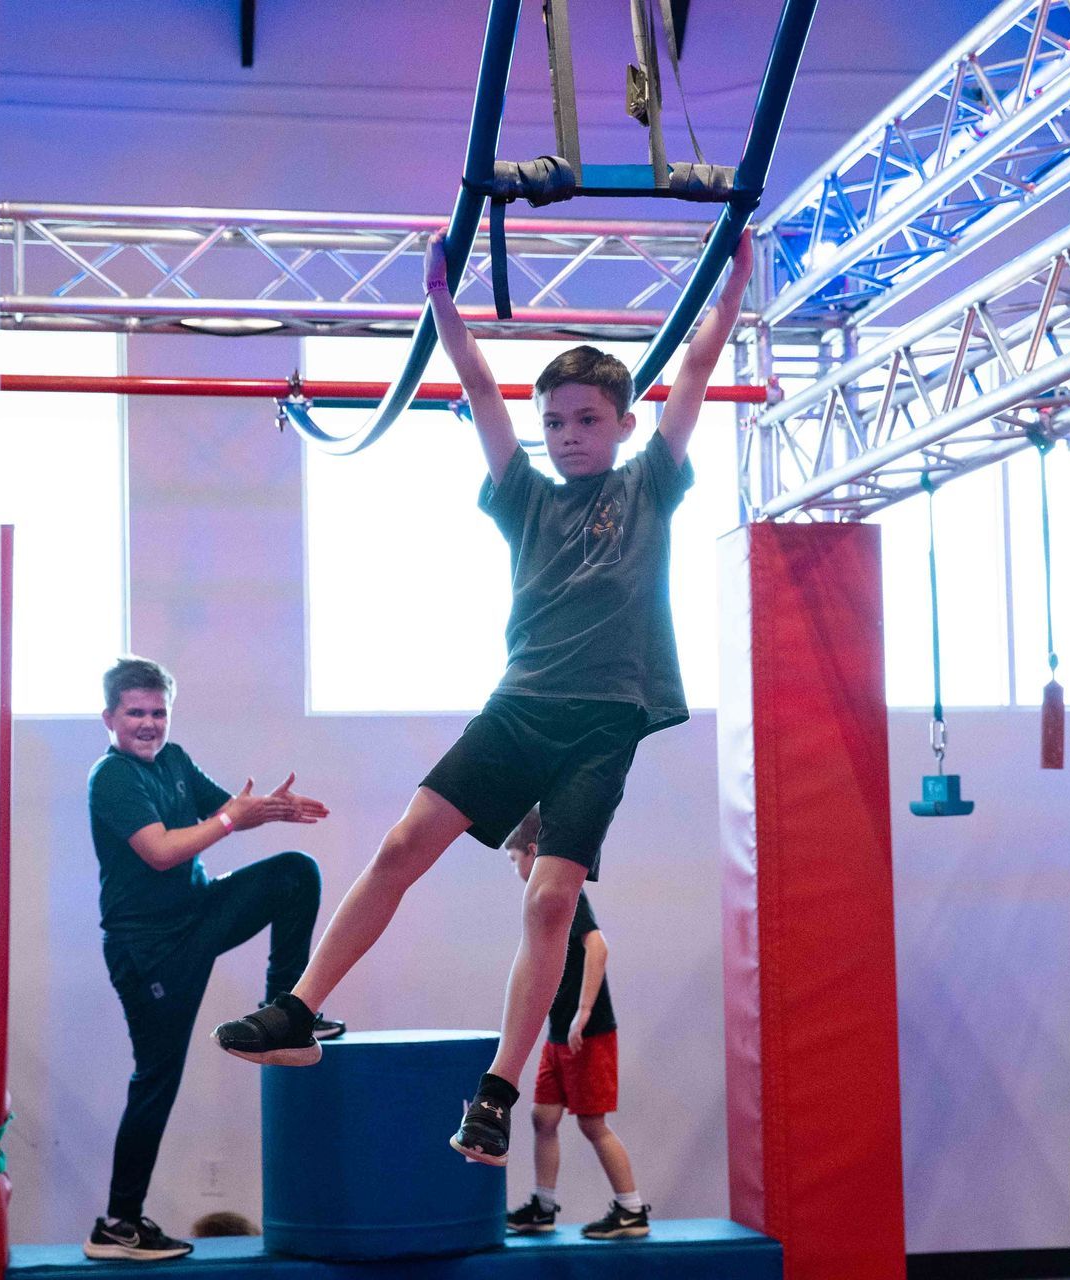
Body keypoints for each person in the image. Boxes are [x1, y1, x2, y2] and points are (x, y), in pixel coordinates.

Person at [212, 229, 754, 1170]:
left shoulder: (651, 484)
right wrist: (443, 302)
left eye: (587, 419)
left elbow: (700, 365)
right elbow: (477, 385)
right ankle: (298, 1008)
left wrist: (737, 282)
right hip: (518, 710)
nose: (568, 435)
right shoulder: (523, 495)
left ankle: (499, 1093)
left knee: (551, 904)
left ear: (623, 423)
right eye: (557, 422)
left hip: (601, 729)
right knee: (399, 846)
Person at [83, 656, 341, 1262]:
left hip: (197, 914)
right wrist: (231, 819)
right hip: (148, 950)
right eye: (135, 713)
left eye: (158, 712)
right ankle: (119, 1225)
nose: (148, 724)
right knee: (157, 1079)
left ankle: (286, 1011)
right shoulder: (111, 777)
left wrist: (270, 810)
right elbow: (163, 852)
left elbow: (226, 809)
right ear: (110, 718)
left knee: (294, 874)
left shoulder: (173, 761)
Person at [500, 809, 649, 1240]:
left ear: (533, 851)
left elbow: (597, 946)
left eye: (514, 860)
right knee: (543, 1117)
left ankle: (631, 1209)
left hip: (586, 1032)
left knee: (591, 1123)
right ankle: (543, 1207)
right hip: (558, 1031)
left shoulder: (564, 893)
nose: (515, 870)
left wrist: (584, 1012)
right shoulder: (540, 902)